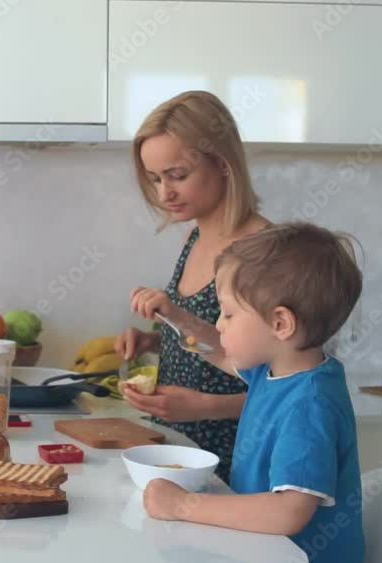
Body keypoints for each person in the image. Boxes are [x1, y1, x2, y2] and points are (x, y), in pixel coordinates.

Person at [136, 222, 365, 563]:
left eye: (228, 313)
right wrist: (176, 317)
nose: (219, 324)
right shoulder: (280, 369)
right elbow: (220, 349)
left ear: (280, 324)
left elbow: (289, 511)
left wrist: (183, 505)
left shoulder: (309, 405)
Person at [114, 90, 270, 481]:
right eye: (154, 179)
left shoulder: (264, 251)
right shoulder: (193, 239)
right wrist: (155, 339)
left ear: (222, 164)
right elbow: (206, 333)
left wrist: (202, 406)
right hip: (178, 452)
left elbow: (284, 386)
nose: (164, 192)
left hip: (232, 461)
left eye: (178, 175)